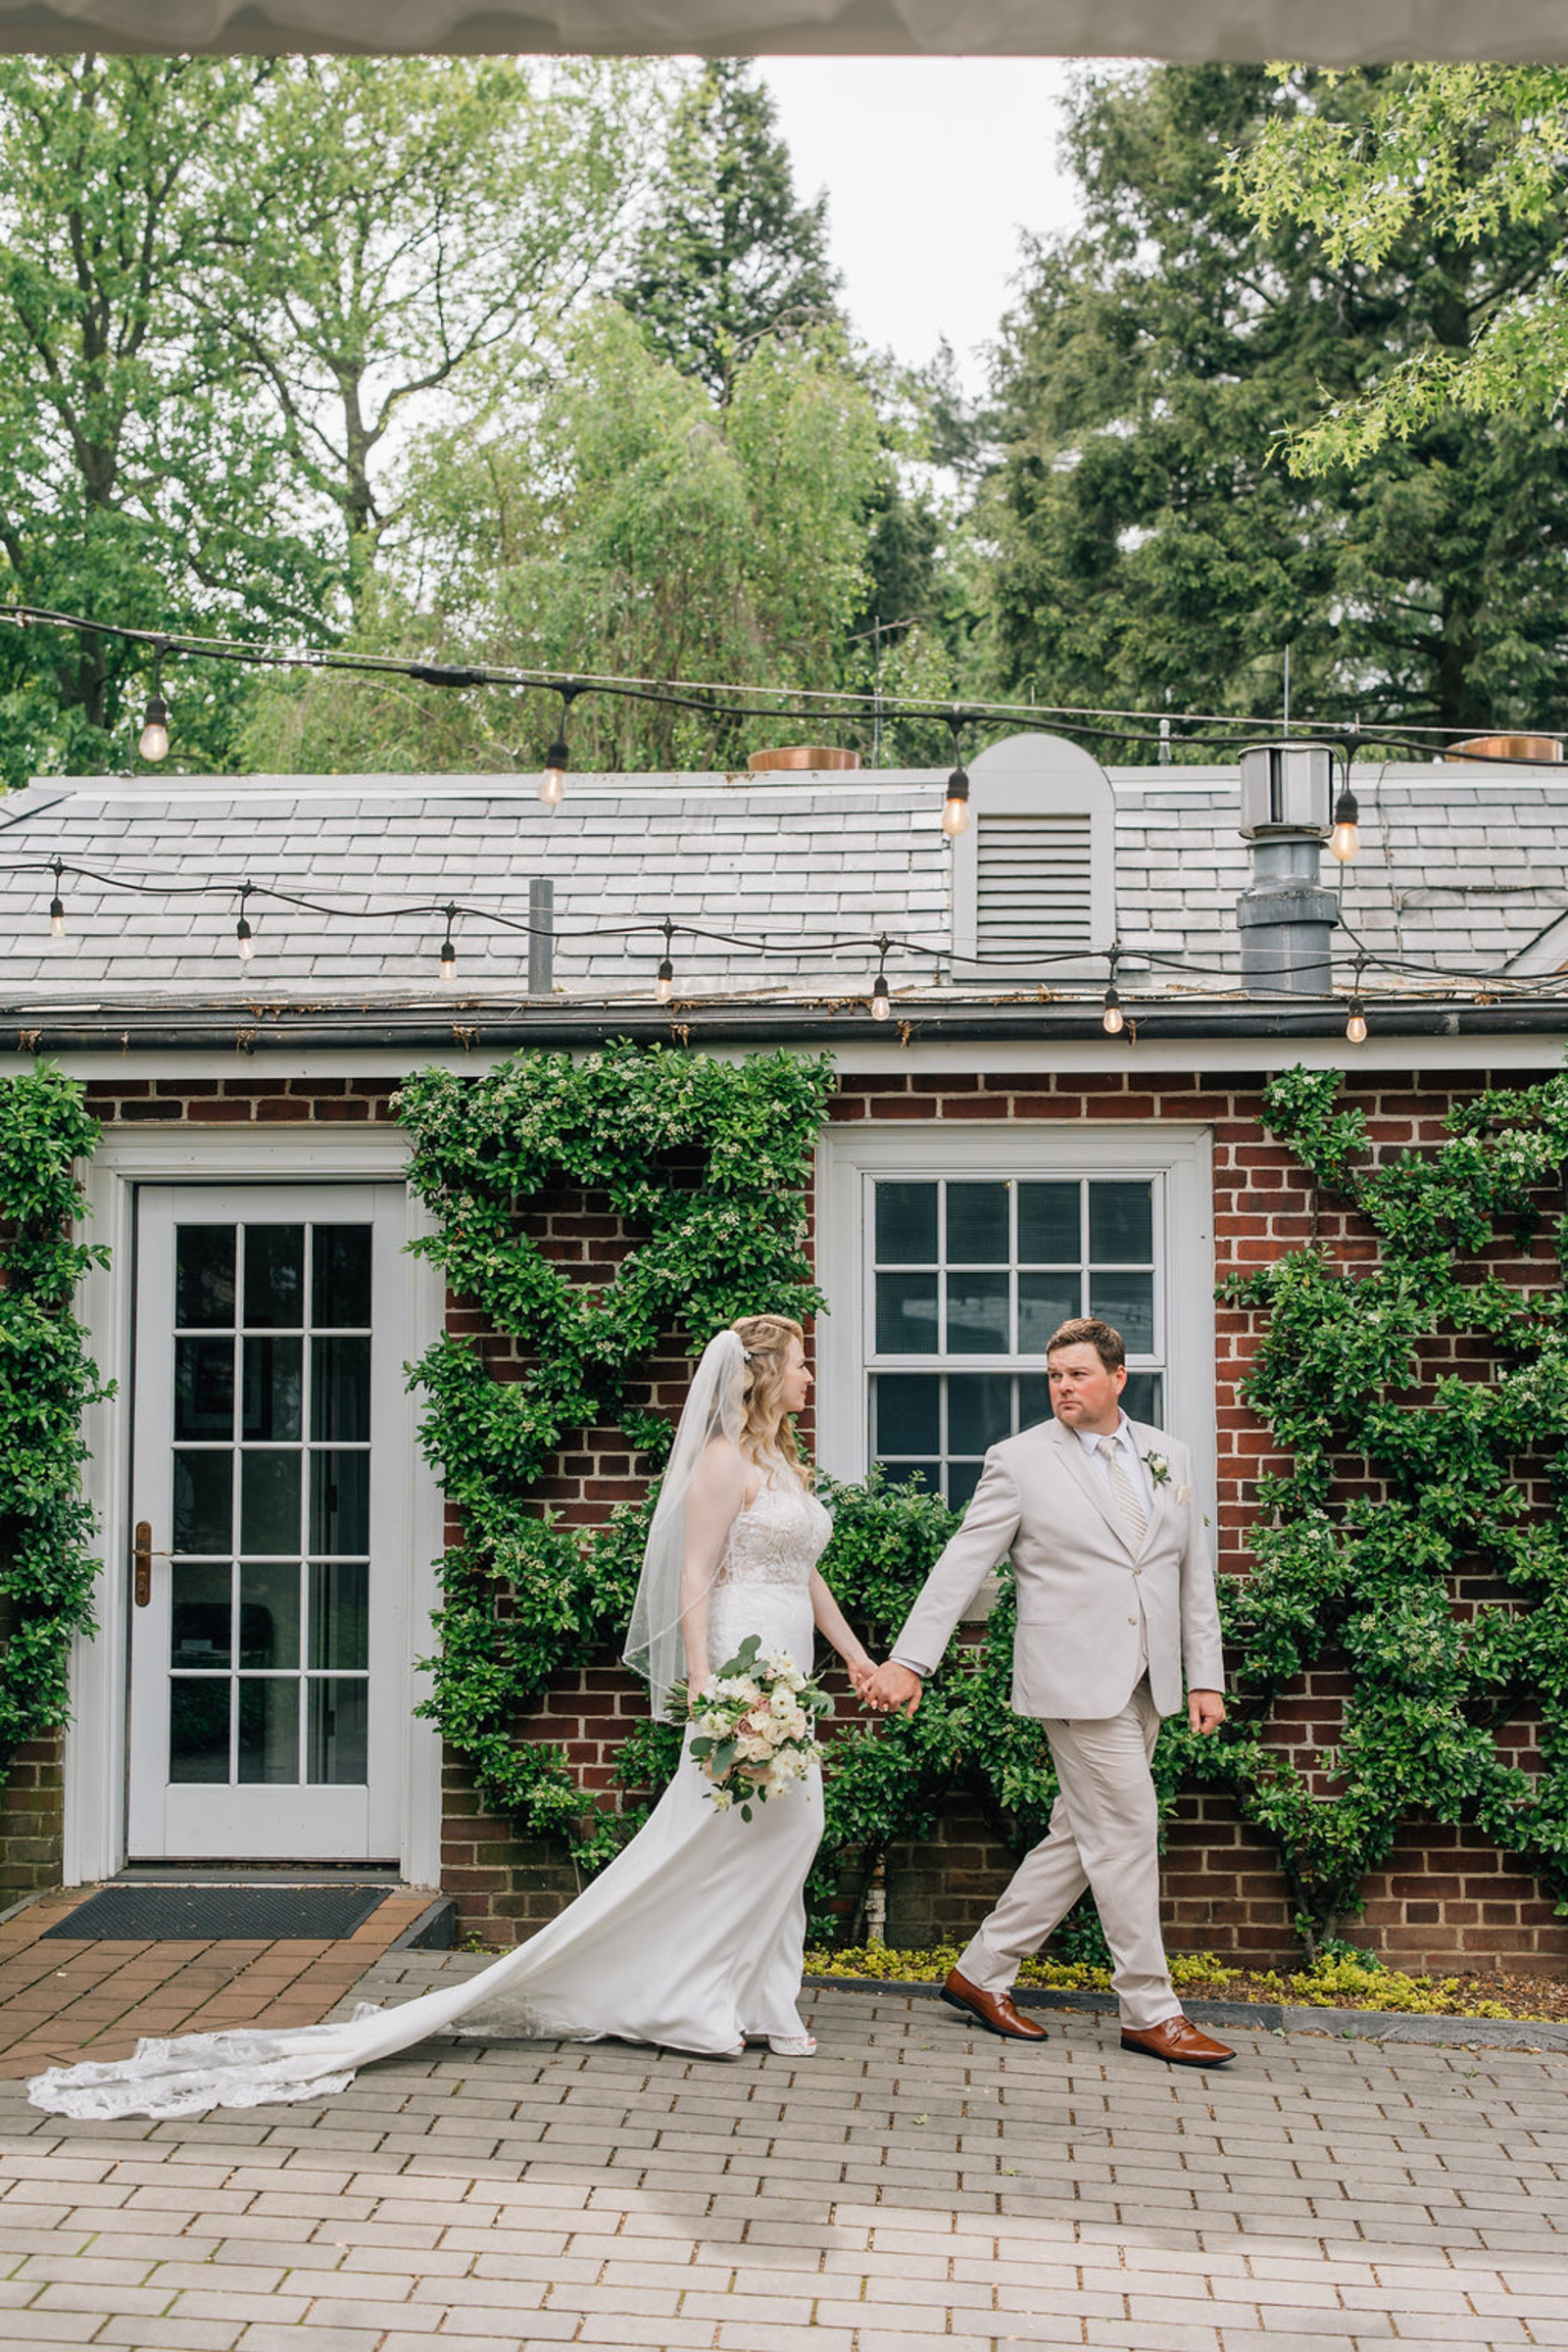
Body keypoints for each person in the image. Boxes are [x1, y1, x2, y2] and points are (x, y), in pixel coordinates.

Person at [29, 1316, 876, 2122]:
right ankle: (692, 2000)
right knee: (749, 1829)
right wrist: (702, 1682)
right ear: (764, 1374)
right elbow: (695, 1573)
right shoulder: (725, 1462)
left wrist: (856, 1659)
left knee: (780, 1832)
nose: (809, 1376)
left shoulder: (782, 1463)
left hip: (787, 1668)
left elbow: (804, 1574)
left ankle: (761, 1998)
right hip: (736, 1665)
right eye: (801, 1363)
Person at [862, 1316, 1235, 2069]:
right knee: (1128, 1829)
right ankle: (1149, 2009)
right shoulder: (1020, 1461)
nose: (1063, 1387)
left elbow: (1192, 1574)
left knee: (1081, 1836)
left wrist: (1205, 1676)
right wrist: (911, 1660)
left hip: (1149, 1677)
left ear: (1118, 1378)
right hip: (1072, 1680)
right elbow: (962, 1564)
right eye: (1054, 1377)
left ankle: (982, 1971)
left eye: (1077, 1375)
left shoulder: (1170, 1455)